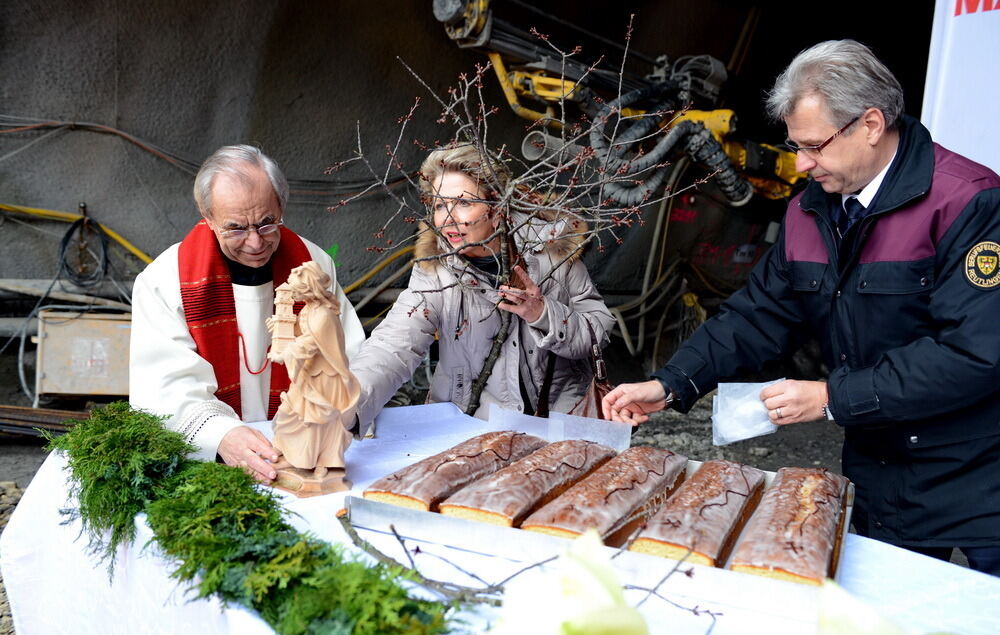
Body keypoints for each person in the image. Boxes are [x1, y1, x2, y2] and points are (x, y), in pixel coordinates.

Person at [603, 40, 1000, 575]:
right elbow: (756, 314)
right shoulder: (809, 212)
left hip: (979, 480)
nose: (801, 163)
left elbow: (974, 354)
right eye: (795, 144)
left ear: (871, 124)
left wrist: (833, 396)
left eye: (814, 145)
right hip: (883, 474)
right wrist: (672, 381)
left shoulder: (969, 203)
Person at [130, 145, 365, 483]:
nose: (255, 242)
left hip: (304, 446)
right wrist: (220, 435)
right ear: (207, 215)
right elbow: (164, 387)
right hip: (214, 463)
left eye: (267, 223)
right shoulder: (165, 280)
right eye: (236, 228)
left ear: (281, 206)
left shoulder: (312, 266)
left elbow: (345, 357)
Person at [349, 144, 613, 431]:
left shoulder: (551, 251)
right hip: (472, 427)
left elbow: (597, 333)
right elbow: (394, 344)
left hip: (559, 425)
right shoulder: (437, 270)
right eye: (439, 205)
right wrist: (348, 402)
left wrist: (543, 313)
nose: (447, 218)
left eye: (463, 203)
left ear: (496, 206)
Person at [268, 261, 360, 475]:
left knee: (318, 423)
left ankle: (323, 461)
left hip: (325, 377)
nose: (291, 295)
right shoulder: (310, 309)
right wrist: (282, 326)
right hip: (310, 373)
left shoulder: (324, 314)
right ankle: (293, 455)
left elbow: (310, 344)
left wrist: (284, 354)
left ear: (307, 290)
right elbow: (301, 333)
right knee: (290, 413)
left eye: (295, 290)